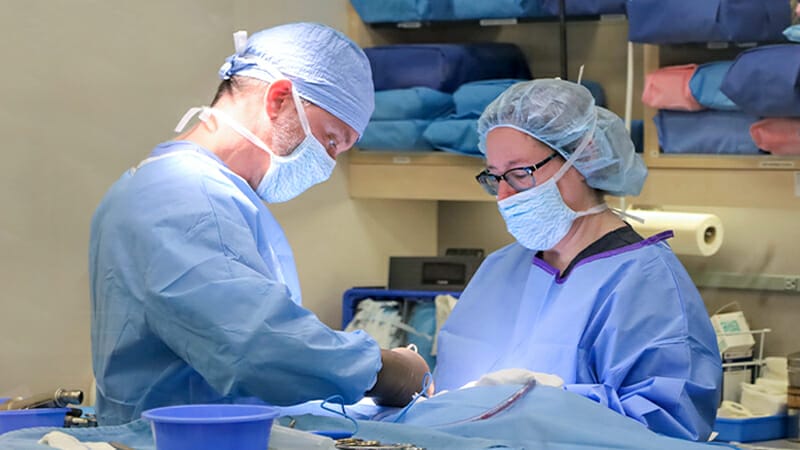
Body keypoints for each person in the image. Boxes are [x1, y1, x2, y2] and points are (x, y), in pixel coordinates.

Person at [89, 22, 430, 426]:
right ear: (280, 98)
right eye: (332, 140)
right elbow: (259, 345)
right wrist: (385, 369)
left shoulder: (184, 188)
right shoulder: (184, 200)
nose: (329, 162)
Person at [433, 79, 722, 441]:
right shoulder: (500, 269)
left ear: (582, 157)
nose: (504, 195)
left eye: (520, 173)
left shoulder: (646, 282)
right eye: (494, 177)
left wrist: (547, 405)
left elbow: (669, 426)